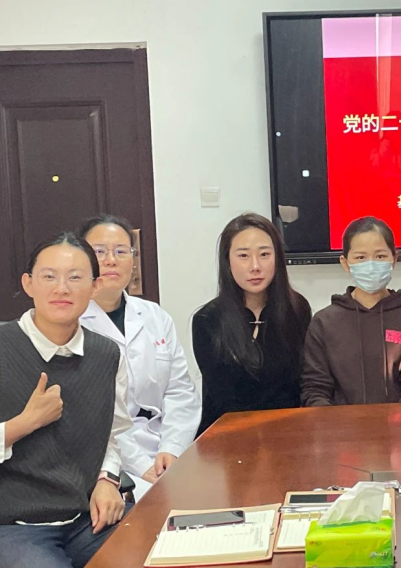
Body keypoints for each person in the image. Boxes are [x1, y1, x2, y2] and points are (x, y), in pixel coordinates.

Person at [0, 232, 131, 567]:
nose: (62, 289)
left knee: (156, 547)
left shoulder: (106, 354)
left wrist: (107, 479)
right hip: (13, 527)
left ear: (95, 286)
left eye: (75, 278)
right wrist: (24, 424)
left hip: (87, 519)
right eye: (49, 277)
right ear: (28, 284)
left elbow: (112, 433)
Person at [79, 214, 200, 500]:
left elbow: (180, 391)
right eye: (100, 251)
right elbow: (92, 416)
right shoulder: (72, 324)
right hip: (107, 463)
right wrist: (143, 466)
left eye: (121, 251)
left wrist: (171, 448)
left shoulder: (154, 316)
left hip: (166, 450)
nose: (111, 260)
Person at [193, 213, 311, 435]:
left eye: (264, 254)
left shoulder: (298, 310)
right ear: (227, 261)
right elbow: (223, 399)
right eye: (243, 256)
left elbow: (299, 386)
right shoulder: (208, 320)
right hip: (227, 437)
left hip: (287, 434)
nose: (255, 266)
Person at [302, 217, 401, 406]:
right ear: (345, 263)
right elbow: (315, 387)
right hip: (339, 423)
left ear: (394, 259)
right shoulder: (324, 322)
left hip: (400, 422)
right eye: (360, 258)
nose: (371, 265)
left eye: (380, 256)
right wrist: (330, 419)